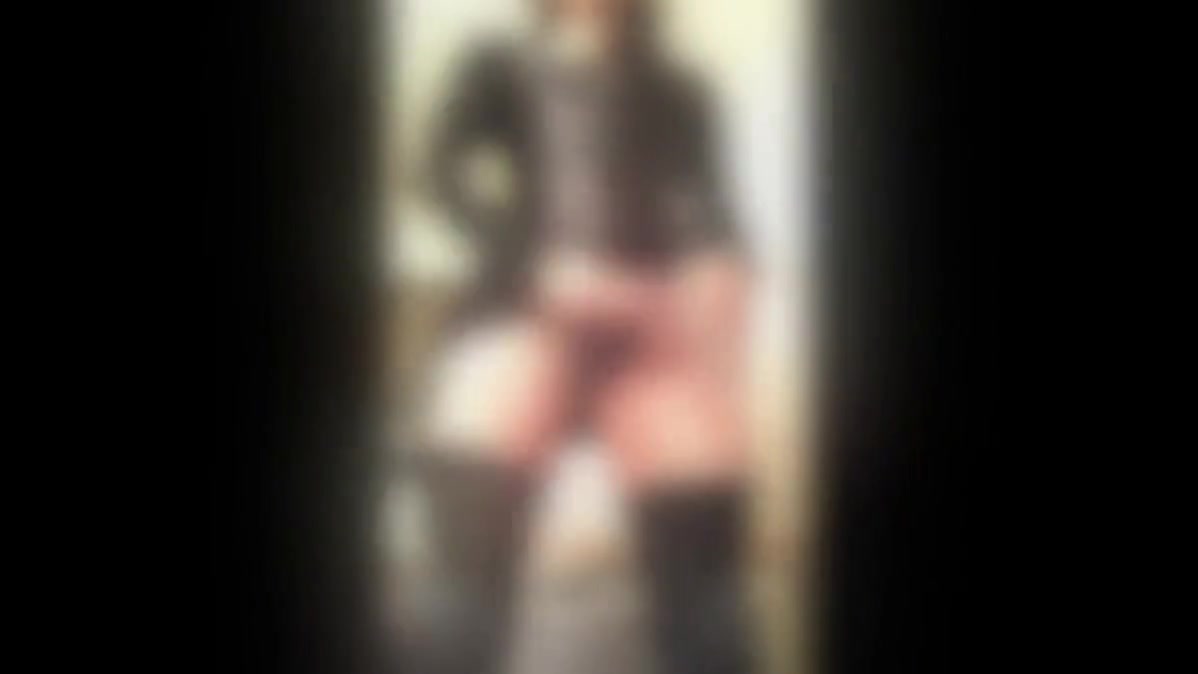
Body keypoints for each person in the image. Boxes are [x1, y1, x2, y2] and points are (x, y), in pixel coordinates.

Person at [402, 1, 756, 672]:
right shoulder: (494, 66)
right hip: (526, 307)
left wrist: (717, 272)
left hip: (648, 317)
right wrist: (529, 264)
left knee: (709, 568)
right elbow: (438, 174)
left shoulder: (683, 89)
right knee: (461, 562)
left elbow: (716, 213)